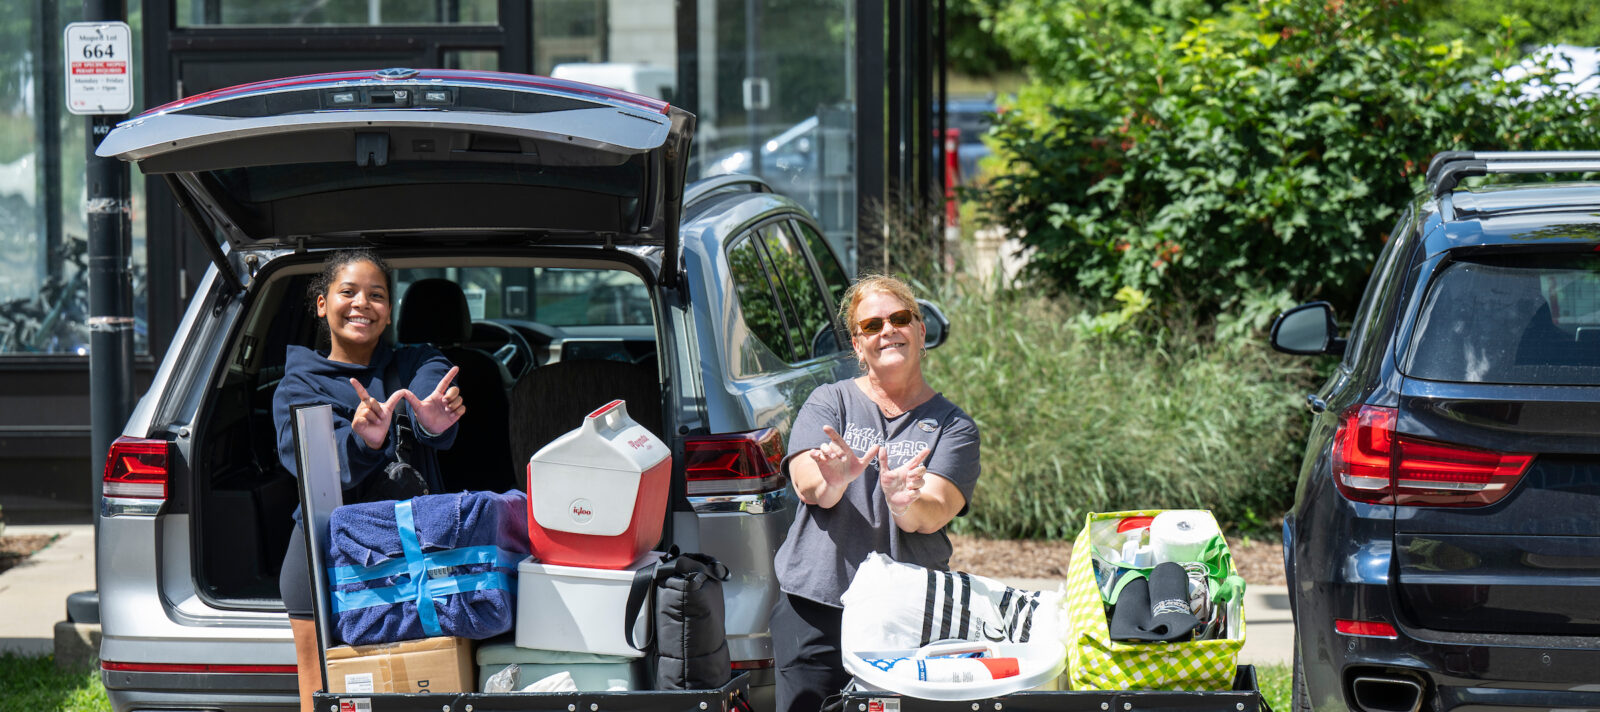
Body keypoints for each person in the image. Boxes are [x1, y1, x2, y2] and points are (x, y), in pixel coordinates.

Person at [771, 274, 981, 712]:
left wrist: (905, 503)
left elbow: (936, 510)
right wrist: (835, 479)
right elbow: (810, 487)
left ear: (921, 331)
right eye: (872, 325)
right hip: (816, 604)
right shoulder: (829, 402)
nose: (887, 330)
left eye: (900, 318)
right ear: (857, 344)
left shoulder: (953, 426)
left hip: (905, 613)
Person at [270, 249, 466, 712]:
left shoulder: (419, 361)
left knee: (422, 684)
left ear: (389, 311)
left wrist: (434, 421)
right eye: (348, 292)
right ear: (322, 303)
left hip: (414, 555)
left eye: (376, 295)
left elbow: (432, 405)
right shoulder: (297, 385)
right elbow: (310, 467)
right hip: (323, 559)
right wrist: (363, 442)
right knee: (322, 693)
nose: (362, 303)